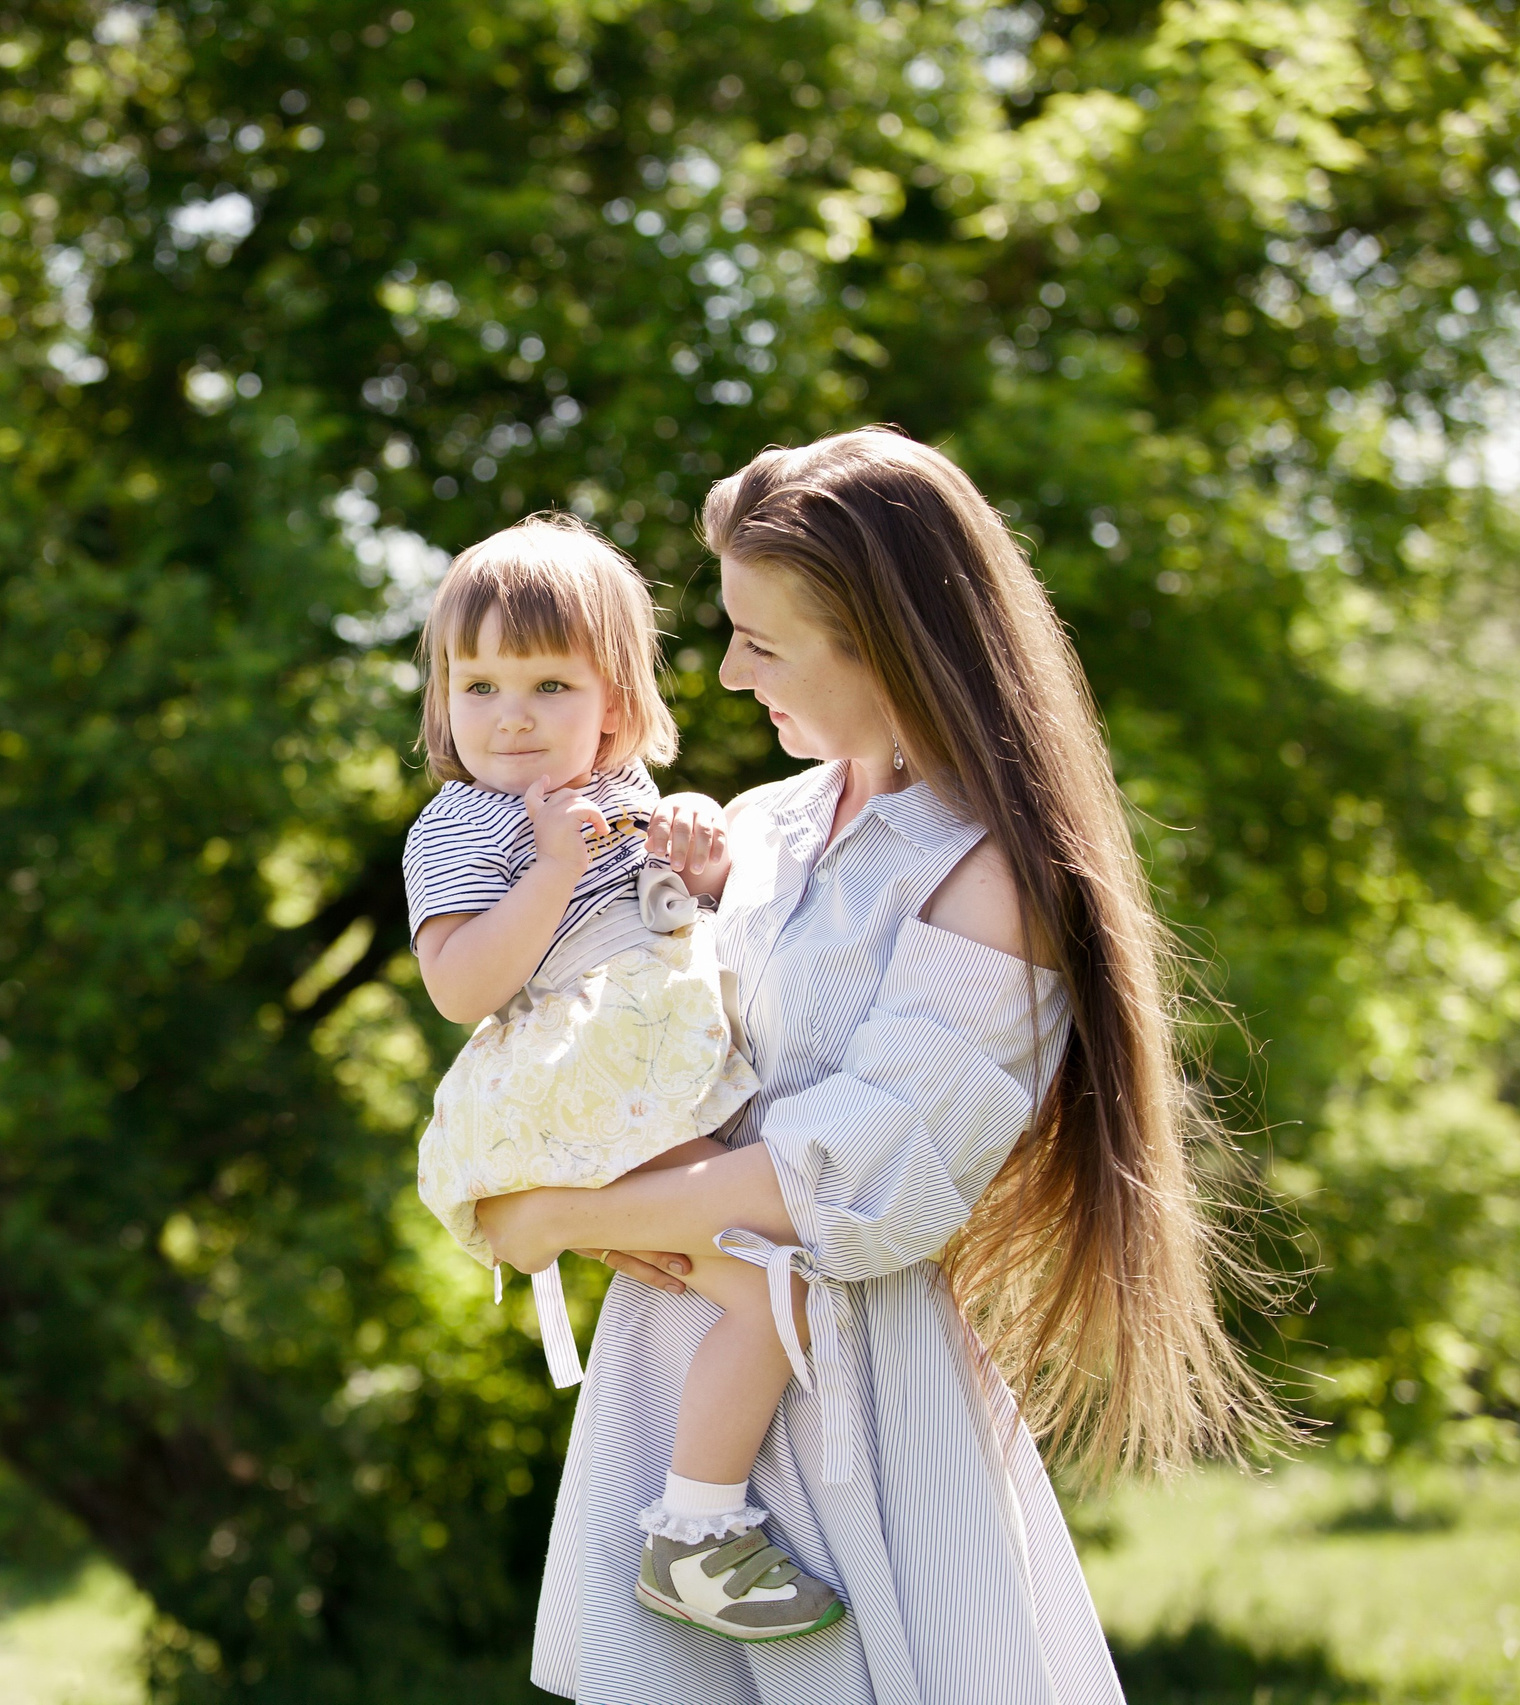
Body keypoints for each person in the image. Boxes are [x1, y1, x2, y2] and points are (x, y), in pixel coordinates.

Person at [475, 429, 1283, 1704]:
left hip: (845, 1395)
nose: (729, 674)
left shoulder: (986, 878)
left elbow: (849, 1176)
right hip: (674, 1360)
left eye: (764, 643)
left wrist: (559, 1215)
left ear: (887, 647)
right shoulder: (756, 827)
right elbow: (616, 1038)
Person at [402, 513, 841, 1643]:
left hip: (646, 1064)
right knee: (775, 1286)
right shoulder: (462, 823)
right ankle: (694, 1531)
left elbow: (666, 923)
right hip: (583, 1078)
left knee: (765, 1284)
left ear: (615, 699)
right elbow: (458, 984)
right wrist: (550, 869)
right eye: (478, 685)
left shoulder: (625, 787)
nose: (510, 715)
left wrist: (695, 865)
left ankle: (702, 1517)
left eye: (549, 684)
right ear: (443, 697)